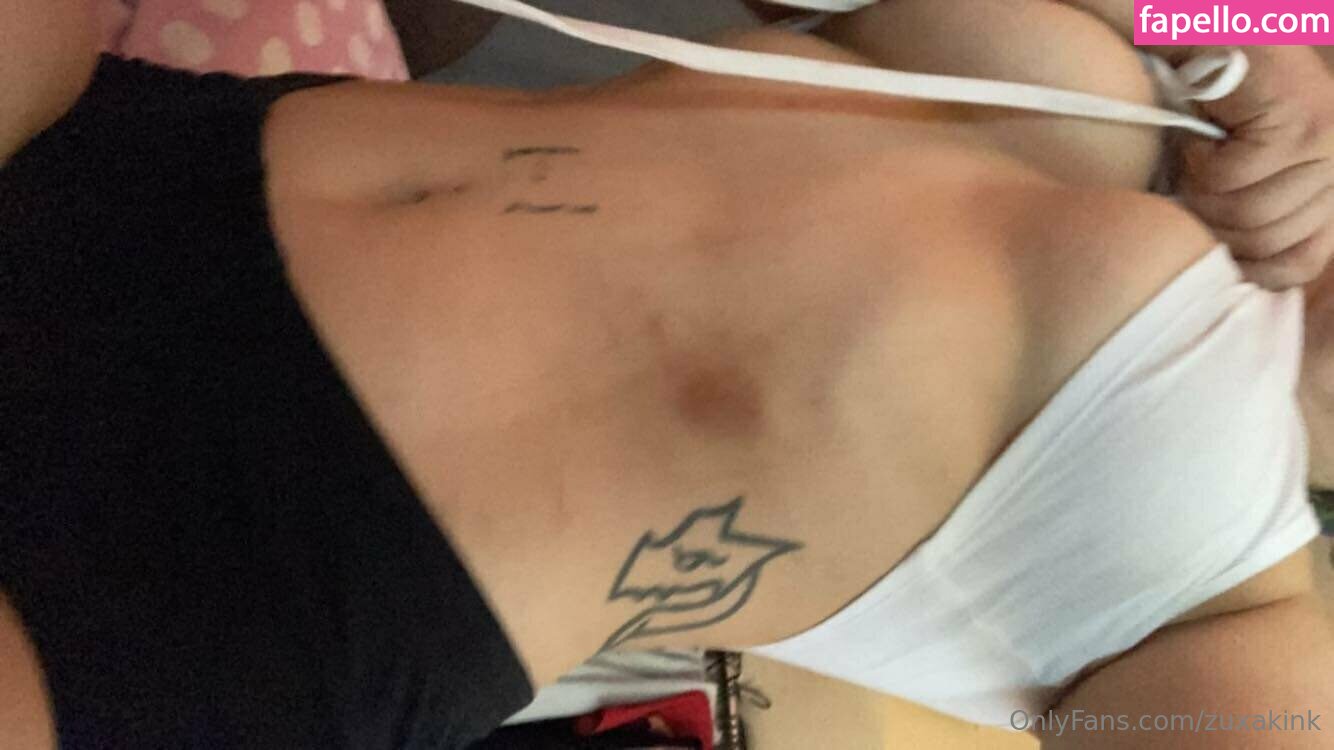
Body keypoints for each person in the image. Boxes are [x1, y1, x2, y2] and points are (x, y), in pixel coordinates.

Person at [1, 1, 1330, 748]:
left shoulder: (1231, 579)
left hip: (250, 579)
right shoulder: (1119, 97)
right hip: (126, 165)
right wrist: (1260, 36)